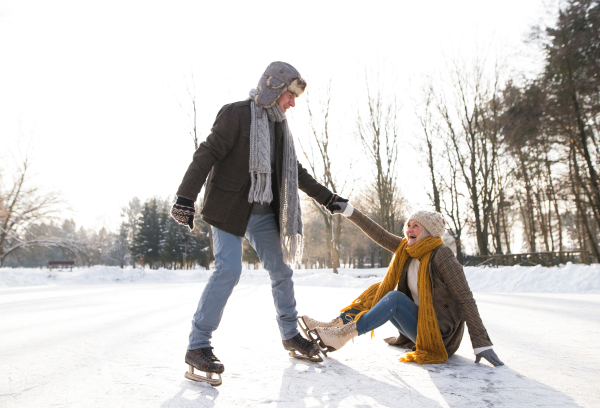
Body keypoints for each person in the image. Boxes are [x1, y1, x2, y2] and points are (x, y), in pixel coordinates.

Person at [170, 61, 347, 385]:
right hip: (228, 207)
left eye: (295, 97)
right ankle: (198, 345)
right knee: (229, 269)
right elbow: (206, 154)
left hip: (263, 211)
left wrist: (327, 198)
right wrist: (185, 198)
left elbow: (294, 171)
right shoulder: (236, 115)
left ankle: (290, 335)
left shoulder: (280, 128)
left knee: (281, 271)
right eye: (290, 95)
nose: (293, 103)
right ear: (273, 88)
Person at [300, 202, 504, 367]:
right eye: (409, 225)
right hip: (418, 327)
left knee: (395, 298)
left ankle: (343, 335)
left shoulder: (442, 256)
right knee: (381, 289)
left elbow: (465, 299)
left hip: (438, 338)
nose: (409, 230)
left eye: (416, 226)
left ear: (429, 232)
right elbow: (378, 234)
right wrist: (348, 210)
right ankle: (334, 326)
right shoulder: (407, 249)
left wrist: (481, 343)